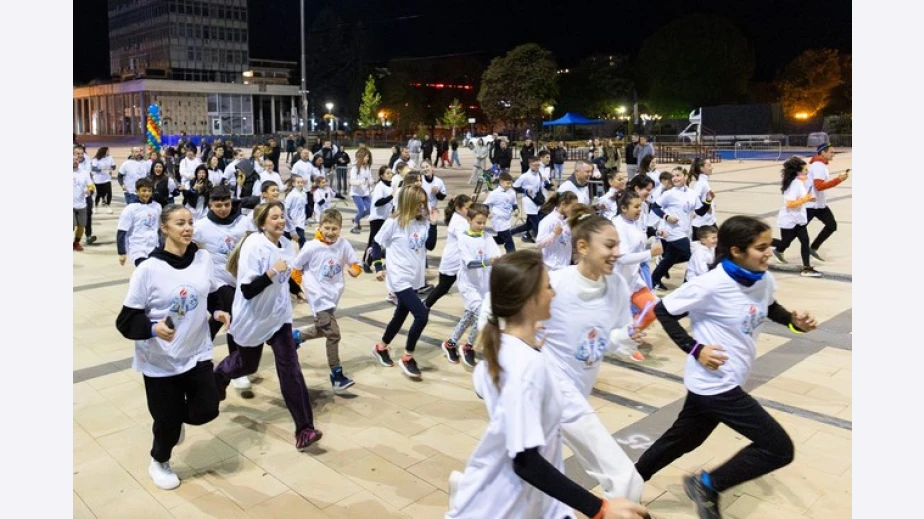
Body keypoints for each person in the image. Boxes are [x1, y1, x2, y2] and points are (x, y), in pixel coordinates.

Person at [637, 215, 817, 519]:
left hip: (725, 381)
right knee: (778, 448)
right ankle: (708, 484)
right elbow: (663, 310)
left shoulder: (762, 278)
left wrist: (793, 322)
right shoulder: (711, 284)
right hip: (716, 384)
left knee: (682, 440)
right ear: (736, 250)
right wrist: (695, 349)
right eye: (761, 247)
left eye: (769, 245)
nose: (769, 252)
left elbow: (769, 307)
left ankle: (627, 482)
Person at [447, 250, 649, 519]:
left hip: (528, 499)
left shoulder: (507, 353)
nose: (553, 293)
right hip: (503, 504)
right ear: (530, 299)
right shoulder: (523, 364)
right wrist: (599, 509)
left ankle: (467, 488)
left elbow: (483, 383)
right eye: (548, 287)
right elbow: (525, 462)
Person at [115, 204, 226, 490]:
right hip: (160, 360)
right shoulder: (149, 269)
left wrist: (218, 310)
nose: (187, 228)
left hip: (197, 350)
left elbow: (213, 291)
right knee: (166, 421)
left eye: (190, 222)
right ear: (164, 228)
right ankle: (159, 461)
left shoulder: (202, 258)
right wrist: (153, 328)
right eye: (180, 223)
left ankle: (174, 422)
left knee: (207, 409)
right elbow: (126, 321)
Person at [213, 202, 324, 451]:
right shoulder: (254, 246)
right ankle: (219, 375)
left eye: (282, 216)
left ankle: (304, 429)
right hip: (253, 317)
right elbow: (248, 289)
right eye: (274, 217)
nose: (280, 221)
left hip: (279, 316)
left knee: (291, 369)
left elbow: (285, 275)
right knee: (247, 365)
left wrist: (296, 290)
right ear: (262, 223)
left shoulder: (285, 244)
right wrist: (273, 271)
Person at [369, 186, 440, 379]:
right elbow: (376, 243)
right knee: (421, 315)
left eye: (424, 203)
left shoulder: (423, 223)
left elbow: (430, 245)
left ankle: (381, 347)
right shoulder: (394, 223)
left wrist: (433, 224)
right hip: (398, 277)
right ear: (408, 203)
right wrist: (378, 266)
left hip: (414, 278)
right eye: (418, 203)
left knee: (400, 314)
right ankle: (408, 357)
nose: (422, 207)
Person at [192, 185, 257, 394]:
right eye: (218, 205)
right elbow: (189, 246)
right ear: (211, 204)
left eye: (226, 204)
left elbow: (254, 241)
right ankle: (236, 369)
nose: (223, 209)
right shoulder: (201, 226)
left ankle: (199, 345)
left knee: (222, 317)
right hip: (218, 281)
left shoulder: (243, 222)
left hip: (240, 279)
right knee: (234, 317)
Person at [291, 209, 363, 392]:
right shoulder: (311, 246)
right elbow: (296, 267)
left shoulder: (343, 244)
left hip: (333, 296)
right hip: (318, 296)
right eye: (327, 228)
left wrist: (355, 270)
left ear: (340, 228)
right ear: (320, 227)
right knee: (333, 334)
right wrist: (296, 289)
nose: (330, 232)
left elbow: (355, 263)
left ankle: (296, 337)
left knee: (323, 328)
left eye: (334, 229)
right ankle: (336, 375)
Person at [439, 203, 500, 368]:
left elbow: (497, 256)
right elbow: (469, 263)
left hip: (484, 284)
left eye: (484, 222)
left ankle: (450, 343)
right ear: (469, 220)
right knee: (482, 314)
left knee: (469, 315)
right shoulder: (463, 238)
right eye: (478, 222)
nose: (481, 226)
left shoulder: (487, 237)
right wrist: (488, 261)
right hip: (469, 284)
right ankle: (468, 346)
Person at [611, 191, 663, 361]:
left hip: (633, 279)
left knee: (652, 310)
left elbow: (636, 249)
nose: (639, 209)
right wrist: (650, 253)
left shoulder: (635, 222)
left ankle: (629, 332)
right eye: (636, 206)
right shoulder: (617, 226)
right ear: (623, 208)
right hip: (618, 282)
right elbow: (622, 258)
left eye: (640, 206)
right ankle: (627, 340)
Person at [771, 156, 822, 277]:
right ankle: (760, 241)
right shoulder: (795, 183)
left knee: (805, 241)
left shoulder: (798, 182)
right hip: (789, 220)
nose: (807, 171)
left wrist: (808, 199)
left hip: (798, 220)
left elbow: (799, 199)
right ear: (798, 172)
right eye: (805, 170)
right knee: (784, 243)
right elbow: (789, 204)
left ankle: (807, 268)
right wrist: (805, 199)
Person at [425, 194, 473, 309]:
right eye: (467, 208)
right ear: (458, 208)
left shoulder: (463, 218)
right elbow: (465, 239)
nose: (470, 210)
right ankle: (425, 306)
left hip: (461, 259)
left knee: (471, 286)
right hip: (453, 260)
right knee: (443, 287)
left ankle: (473, 310)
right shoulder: (458, 221)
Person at [805, 143, 849, 261]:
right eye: (831, 152)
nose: (833, 154)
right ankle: (779, 248)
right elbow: (819, 186)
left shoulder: (821, 165)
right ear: (823, 152)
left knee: (831, 225)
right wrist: (838, 180)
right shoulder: (818, 166)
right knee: (797, 230)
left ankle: (813, 248)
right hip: (811, 205)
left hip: (819, 205)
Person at [117, 178, 162, 266]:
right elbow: (122, 231)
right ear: (137, 191)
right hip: (137, 248)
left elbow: (159, 228)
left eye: (149, 191)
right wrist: (121, 252)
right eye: (144, 191)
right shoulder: (130, 209)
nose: (147, 193)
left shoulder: (157, 207)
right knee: (144, 267)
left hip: (154, 247)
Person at [535, 192, 579, 272]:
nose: (574, 210)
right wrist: (554, 234)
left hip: (565, 266)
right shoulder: (548, 221)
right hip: (551, 268)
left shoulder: (568, 221)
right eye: (573, 207)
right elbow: (539, 244)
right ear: (563, 204)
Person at [483, 172, 518, 253]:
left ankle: (484, 241)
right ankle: (512, 256)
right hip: (498, 220)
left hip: (507, 219)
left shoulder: (512, 192)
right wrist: (488, 213)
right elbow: (485, 204)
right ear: (501, 182)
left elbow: (514, 203)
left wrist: (516, 209)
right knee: (509, 240)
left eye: (511, 183)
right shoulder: (494, 193)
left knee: (501, 240)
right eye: (507, 183)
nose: (509, 185)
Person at [73, 148, 95, 252]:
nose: (75, 162)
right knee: (72, 225)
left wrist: (89, 191)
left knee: (81, 226)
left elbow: (91, 185)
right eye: (73, 160)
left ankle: (76, 243)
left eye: (76, 160)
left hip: (82, 204)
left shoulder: (84, 173)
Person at [349, 149, 374, 234]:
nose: (368, 158)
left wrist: (371, 181)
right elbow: (352, 181)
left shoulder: (367, 167)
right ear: (362, 157)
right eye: (366, 157)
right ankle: (355, 226)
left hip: (365, 193)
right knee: (361, 210)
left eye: (368, 157)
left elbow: (369, 178)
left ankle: (356, 219)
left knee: (370, 209)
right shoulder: (355, 168)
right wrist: (360, 182)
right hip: (356, 193)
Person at [91, 146, 116, 214]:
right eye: (107, 151)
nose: (108, 152)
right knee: (99, 194)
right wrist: (102, 169)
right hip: (98, 179)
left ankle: (108, 206)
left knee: (109, 193)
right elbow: (93, 168)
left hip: (107, 178)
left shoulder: (110, 157)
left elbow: (114, 166)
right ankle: (95, 207)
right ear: (103, 151)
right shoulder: (96, 159)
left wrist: (111, 168)